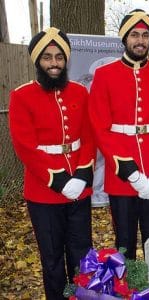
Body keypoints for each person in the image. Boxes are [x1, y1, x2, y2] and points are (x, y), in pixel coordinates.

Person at [89, 9, 149, 260]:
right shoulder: (104, 75)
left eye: (145, 35)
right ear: (124, 38)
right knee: (124, 242)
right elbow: (100, 127)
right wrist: (129, 170)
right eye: (134, 35)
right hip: (121, 175)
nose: (140, 40)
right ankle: (127, 291)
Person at [8, 27, 95, 300]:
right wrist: (59, 180)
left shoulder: (81, 92)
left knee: (82, 255)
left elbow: (89, 136)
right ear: (37, 61)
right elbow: (25, 147)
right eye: (47, 57)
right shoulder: (21, 96)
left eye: (59, 57)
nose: (54, 63)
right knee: (53, 259)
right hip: (43, 193)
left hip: (80, 189)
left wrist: (81, 175)